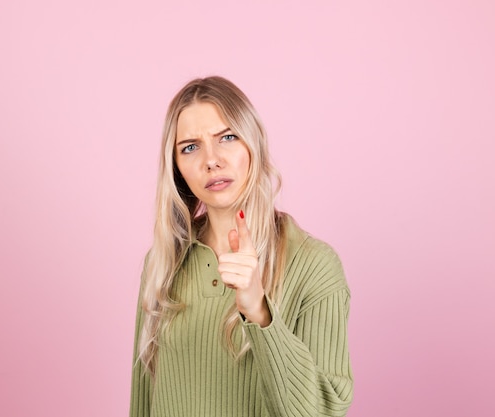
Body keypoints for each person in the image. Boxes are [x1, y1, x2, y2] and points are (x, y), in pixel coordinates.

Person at [130, 76, 353, 417]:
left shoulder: (314, 265)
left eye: (228, 137)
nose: (212, 160)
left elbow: (322, 412)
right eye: (190, 147)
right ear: (176, 169)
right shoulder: (163, 263)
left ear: (254, 144)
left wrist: (259, 312)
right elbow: (143, 403)